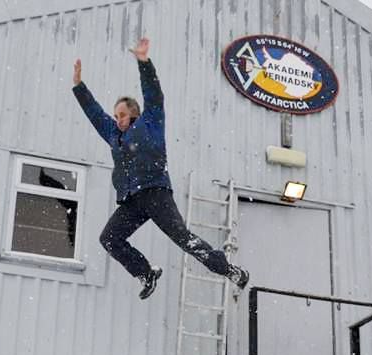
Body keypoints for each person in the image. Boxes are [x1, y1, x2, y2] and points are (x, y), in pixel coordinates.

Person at [72, 37, 249, 299]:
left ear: (133, 113)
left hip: (156, 193)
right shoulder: (114, 135)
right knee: (109, 239)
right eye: (116, 115)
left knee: (184, 239)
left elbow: (154, 93)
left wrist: (144, 63)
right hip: (132, 200)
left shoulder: (150, 122)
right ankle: (146, 273)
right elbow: (95, 113)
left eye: (121, 114)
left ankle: (230, 270)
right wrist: (79, 86)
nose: (117, 119)